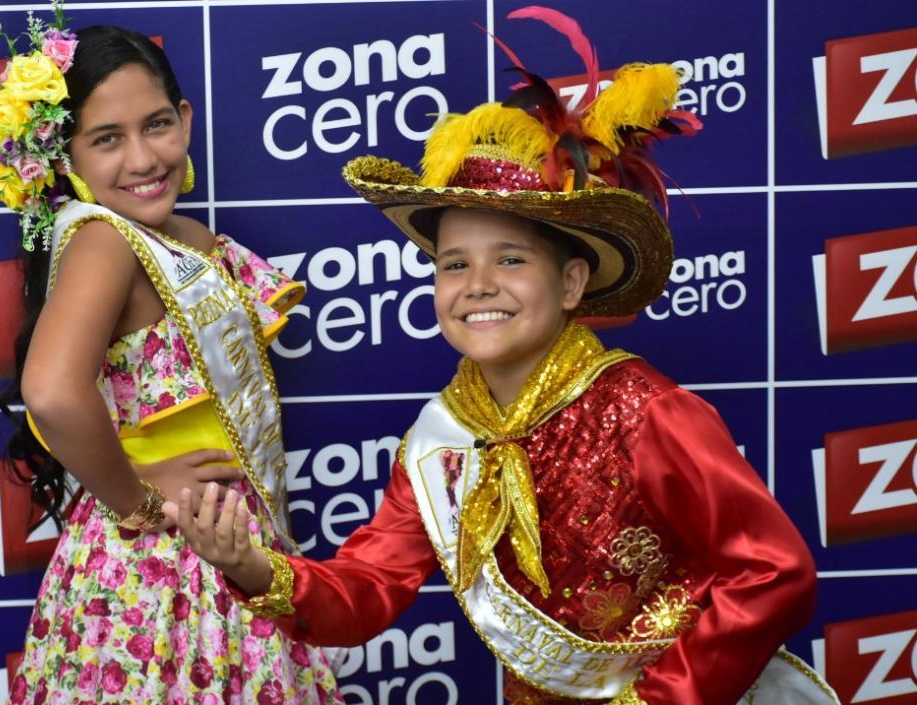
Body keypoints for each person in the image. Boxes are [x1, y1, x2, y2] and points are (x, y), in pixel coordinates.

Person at [164, 7, 841, 705]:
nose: (478, 284)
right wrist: (254, 566)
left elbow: (773, 570)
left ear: (571, 281)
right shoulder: (440, 439)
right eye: (454, 264)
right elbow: (368, 589)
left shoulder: (645, 410)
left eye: (510, 258)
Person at [0, 7, 342, 704]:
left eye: (158, 125)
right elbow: (50, 390)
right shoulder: (106, 242)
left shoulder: (189, 239)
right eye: (107, 139)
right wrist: (139, 501)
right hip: (157, 575)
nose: (142, 159)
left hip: (229, 550)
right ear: (67, 157)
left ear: (187, 120)